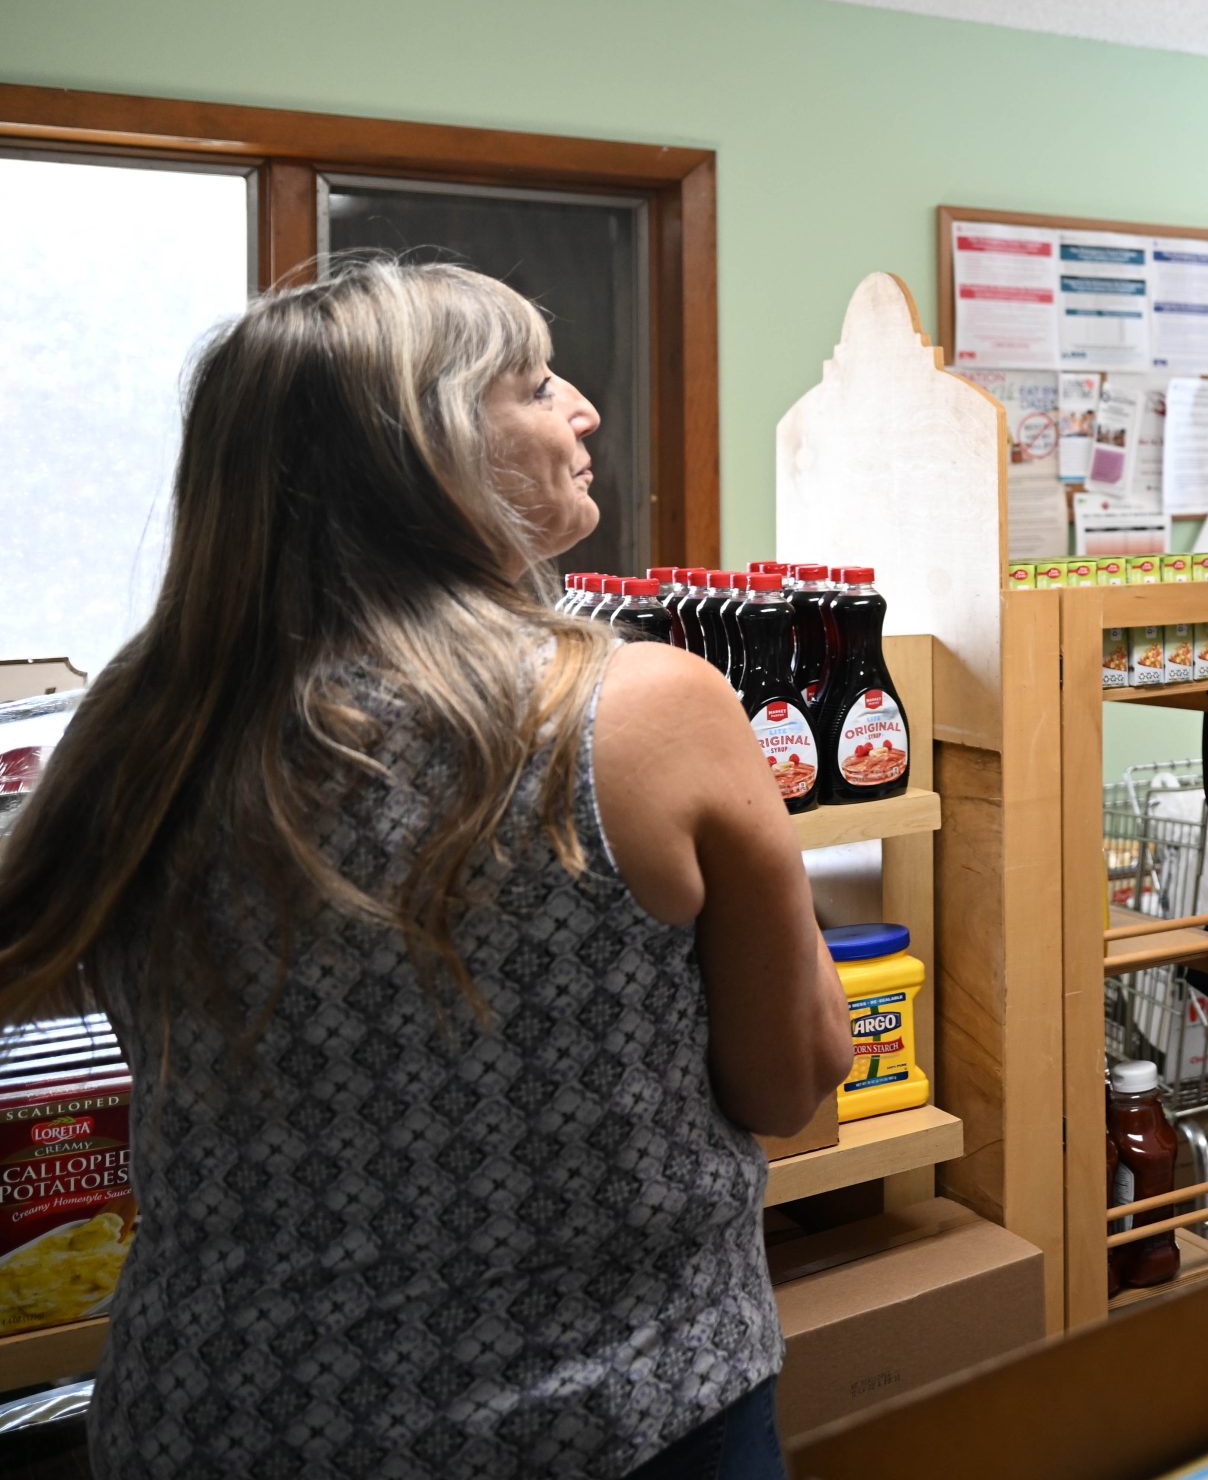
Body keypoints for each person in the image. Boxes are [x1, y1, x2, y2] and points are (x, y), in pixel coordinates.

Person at [0, 262, 852, 1477]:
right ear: (425, 448)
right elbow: (791, 1081)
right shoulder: (638, 707)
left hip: (214, 1418)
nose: (583, 409)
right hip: (614, 1419)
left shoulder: (139, 730)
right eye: (535, 381)